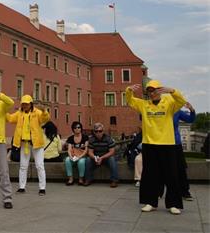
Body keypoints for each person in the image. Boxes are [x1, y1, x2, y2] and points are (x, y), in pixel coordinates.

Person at [126, 80, 186, 215]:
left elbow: (181, 101)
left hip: (167, 144)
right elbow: (130, 101)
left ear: (159, 90)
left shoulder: (169, 103)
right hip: (150, 144)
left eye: (154, 90)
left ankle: (173, 204)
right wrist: (129, 90)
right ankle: (151, 203)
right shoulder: (144, 105)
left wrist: (171, 90)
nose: (152, 93)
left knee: (171, 175)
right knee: (150, 175)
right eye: (149, 91)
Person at [6, 95, 50, 196]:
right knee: (23, 166)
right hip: (24, 143)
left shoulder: (37, 113)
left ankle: (42, 188)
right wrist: (3, 112)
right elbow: (10, 118)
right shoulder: (19, 113)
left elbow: (45, 119)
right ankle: (22, 187)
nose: (25, 105)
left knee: (39, 166)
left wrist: (44, 111)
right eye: (23, 104)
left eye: (26, 104)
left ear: (31, 104)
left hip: (37, 143)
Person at [173, 102, 196, 201]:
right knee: (159, 168)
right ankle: (157, 192)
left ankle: (185, 192)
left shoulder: (176, 111)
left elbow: (190, 119)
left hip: (175, 144)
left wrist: (191, 109)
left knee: (181, 169)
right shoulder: (159, 111)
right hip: (162, 143)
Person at [84, 122, 118, 188]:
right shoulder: (91, 140)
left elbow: (112, 152)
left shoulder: (108, 138)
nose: (98, 133)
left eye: (100, 131)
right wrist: (95, 158)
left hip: (106, 158)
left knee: (112, 159)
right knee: (88, 160)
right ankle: (88, 179)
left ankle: (114, 180)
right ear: (94, 132)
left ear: (103, 131)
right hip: (96, 158)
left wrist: (102, 158)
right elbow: (90, 152)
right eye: (96, 131)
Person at [64, 121, 88, 186]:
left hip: (82, 156)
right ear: (73, 129)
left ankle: (81, 179)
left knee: (81, 162)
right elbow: (69, 150)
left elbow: (86, 150)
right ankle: (70, 179)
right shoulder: (70, 138)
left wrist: (80, 157)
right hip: (74, 156)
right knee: (67, 160)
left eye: (78, 127)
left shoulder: (85, 137)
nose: (77, 129)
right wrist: (70, 157)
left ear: (81, 128)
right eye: (75, 128)